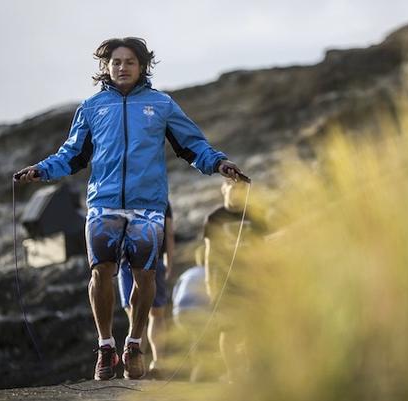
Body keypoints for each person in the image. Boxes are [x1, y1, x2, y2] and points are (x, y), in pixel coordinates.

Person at [14, 37, 246, 381]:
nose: (122, 67)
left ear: (142, 67)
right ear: (106, 67)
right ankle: (106, 346)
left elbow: (192, 145)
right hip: (103, 204)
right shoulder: (92, 107)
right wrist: (42, 170)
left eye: (130, 62)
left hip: (148, 205)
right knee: (100, 272)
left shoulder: (161, 104)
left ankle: (134, 344)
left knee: (145, 276)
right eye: (116, 62)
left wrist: (219, 163)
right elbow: (72, 154)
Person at [203, 179, 263, 383]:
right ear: (223, 188)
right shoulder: (215, 218)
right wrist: (210, 286)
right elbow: (209, 255)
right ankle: (234, 375)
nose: (236, 191)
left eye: (241, 188)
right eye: (232, 186)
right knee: (228, 330)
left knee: (253, 331)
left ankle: (251, 374)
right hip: (225, 283)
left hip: (252, 282)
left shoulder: (255, 216)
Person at [117, 202, 174, 379]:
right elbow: (169, 233)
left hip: (129, 261)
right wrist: (169, 262)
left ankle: (138, 365)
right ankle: (157, 363)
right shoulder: (159, 195)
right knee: (155, 315)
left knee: (137, 316)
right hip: (148, 259)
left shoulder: (121, 194)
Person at [171, 245, 212, 381]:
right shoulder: (209, 274)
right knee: (203, 340)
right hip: (199, 311)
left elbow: (175, 294)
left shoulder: (188, 273)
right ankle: (201, 371)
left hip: (180, 312)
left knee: (194, 339)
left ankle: (195, 369)